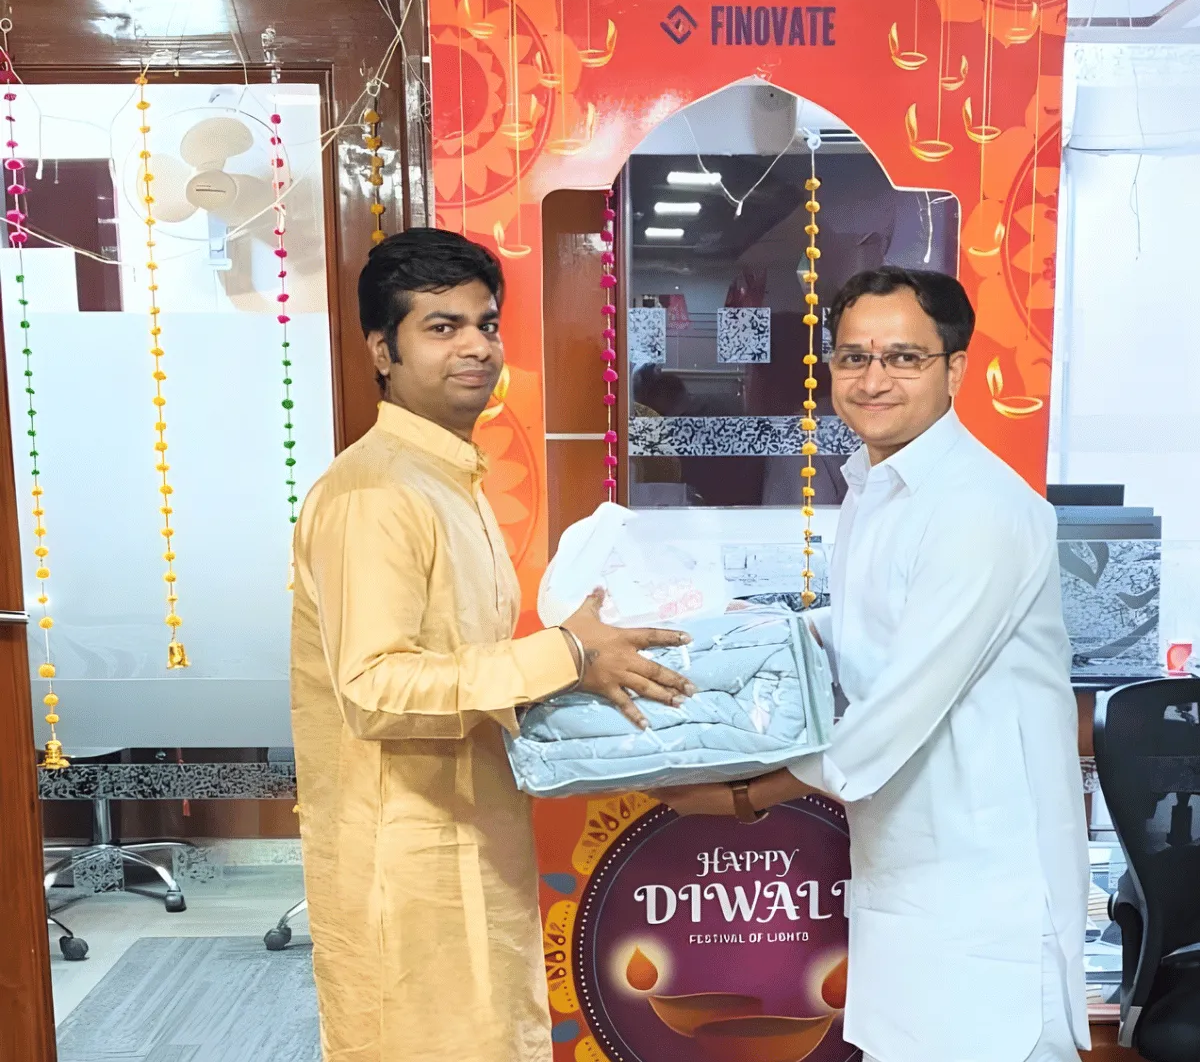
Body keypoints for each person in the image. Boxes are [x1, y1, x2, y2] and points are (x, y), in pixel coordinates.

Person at [657, 267, 1090, 1062]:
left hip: (987, 879)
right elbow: (870, 623)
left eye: (904, 358)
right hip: (906, 865)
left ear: (954, 368)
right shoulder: (876, 486)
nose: (873, 379)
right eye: (854, 357)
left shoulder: (979, 507)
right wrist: (734, 637)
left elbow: (899, 707)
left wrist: (741, 798)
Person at [289, 228, 696, 1062]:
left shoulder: (449, 478)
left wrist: (583, 670)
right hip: (406, 858)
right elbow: (373, 688)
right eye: (441, 327)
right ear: (382, 350)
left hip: (470, 832)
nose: (476, 346)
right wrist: (565, 656)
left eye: (486, 324)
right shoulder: (375, 495)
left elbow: (465, 664)